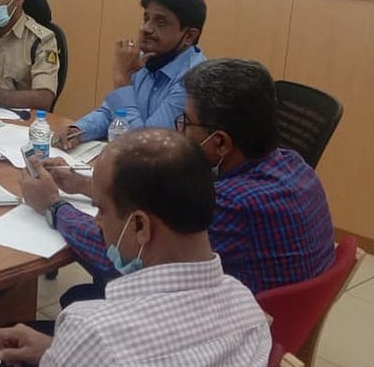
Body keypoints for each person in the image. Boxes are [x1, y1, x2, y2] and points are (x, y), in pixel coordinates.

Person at [24, 58, 336, 304]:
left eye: (186, 122)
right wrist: (86, 185)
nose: (180, 130)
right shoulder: (294, 164)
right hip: (272, 316)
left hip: (226, 334)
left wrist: (54, 206)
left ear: (221, 143)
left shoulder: (230, 203)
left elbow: (123, 263)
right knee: (80, 297)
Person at [0, 129, 271, 366]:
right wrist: (58, 352)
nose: (97, 222)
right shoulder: (250, 310)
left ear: (140, 226)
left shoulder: (94, 330)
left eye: (101, 210)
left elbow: (105, 349)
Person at [57, 0, 206, 149]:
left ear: (189, 36)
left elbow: (147, 146)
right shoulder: (147, 57)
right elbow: (111, 112)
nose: (146, 29)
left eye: (161, 22)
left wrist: (122, 80)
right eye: (146, 18)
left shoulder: (193, 80)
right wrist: (78, 130)